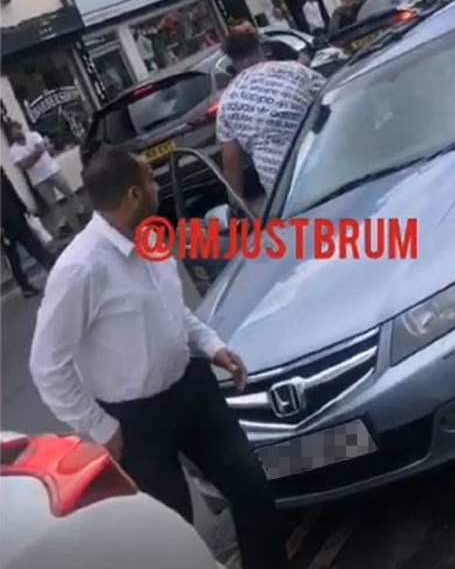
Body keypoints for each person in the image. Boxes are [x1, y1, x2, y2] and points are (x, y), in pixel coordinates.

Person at [29, 147, 289, 569]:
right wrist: (101, 427)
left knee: (252, 489)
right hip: (137, 422)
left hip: (192, 390)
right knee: (176, 538)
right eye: (150, 180)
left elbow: (172, 309)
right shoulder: (81, 268)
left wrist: (212, 346)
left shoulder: (149, 237)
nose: (157, 186)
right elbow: (46, 365)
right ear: (134, 193)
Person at [217, 30, 325, 199]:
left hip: (284, 195)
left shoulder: (228, 100)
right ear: (260, 48)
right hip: (327, 168)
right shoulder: (297, 71)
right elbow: (334, 102)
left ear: (232, 60)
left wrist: (235, 208)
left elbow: (231, 163)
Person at [6, 121, 80, 237]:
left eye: (17, 129)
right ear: (11, 135)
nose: (16, 132)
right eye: (13, 131)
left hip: (52, 170)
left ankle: (80, 211)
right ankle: (63, 225)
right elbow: (24, 165)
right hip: (38, 180)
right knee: (52, 204)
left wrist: (31, 157)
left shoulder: (34, 136)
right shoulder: (14, 150)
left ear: (21, 128)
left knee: (68, 192)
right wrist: (37, 153)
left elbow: (40, 150)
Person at [1, 168, 56, 297]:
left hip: (15, 216)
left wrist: (23, 208)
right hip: (5, 224)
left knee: (31, 244)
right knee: (14, 257)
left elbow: (11, 191)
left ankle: (50, 266)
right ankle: (25, 285)